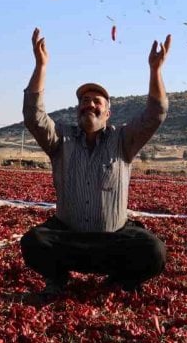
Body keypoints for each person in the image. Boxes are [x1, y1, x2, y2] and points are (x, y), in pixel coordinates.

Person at [20, 27, 172, 295]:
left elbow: (155, 113)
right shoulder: (60, 140)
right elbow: (33, 115)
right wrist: (41, 65)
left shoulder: (123, 141)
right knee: (34, 242)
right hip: (69, 237)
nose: (90, 105)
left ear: (108, 113)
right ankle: (58, 278)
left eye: (97, 101)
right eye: (84, 100)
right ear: (78, 109)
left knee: (153, 250)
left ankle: (119, 279)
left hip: (113, 240)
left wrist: (155, 71)